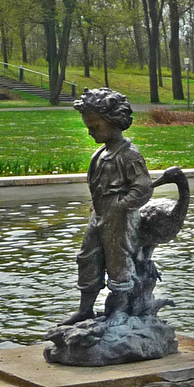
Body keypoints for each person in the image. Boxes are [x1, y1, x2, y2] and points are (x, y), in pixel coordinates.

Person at [62, 89, 153, 323]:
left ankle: (121, 308)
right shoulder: (100, 154)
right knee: (87, 256)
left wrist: (123, 205)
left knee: (118, 259)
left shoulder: (129, 155)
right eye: (88, 127)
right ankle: (85, 308)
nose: (90, 132)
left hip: (119, 216)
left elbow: (143, 186)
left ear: (113, 122)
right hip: (99, 213)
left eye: (94, 127)